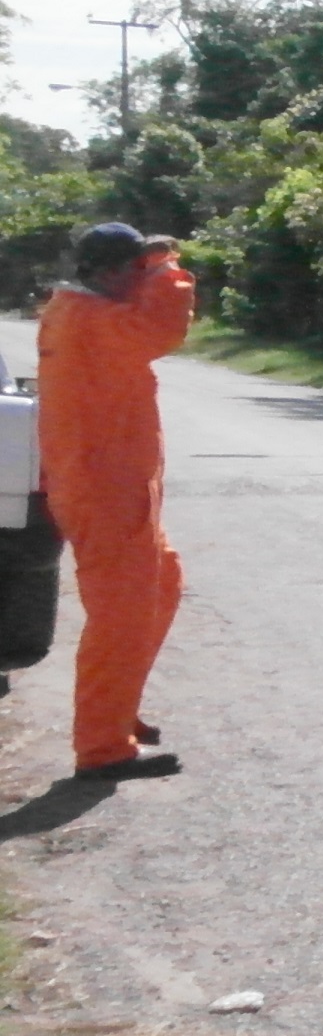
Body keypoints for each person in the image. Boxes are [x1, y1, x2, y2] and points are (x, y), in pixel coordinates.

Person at [37, 223, 192, 781]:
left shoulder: (82, 312)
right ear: (107, 274)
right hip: (105, 489)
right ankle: (102, 748)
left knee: (164, 583)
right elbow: (162, 327)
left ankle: (117, 713)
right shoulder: (90, 318)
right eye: (135, 270)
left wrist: (149, 267)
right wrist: (167, 269)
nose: (142, 279)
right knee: (120, 616)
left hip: (111, 484)